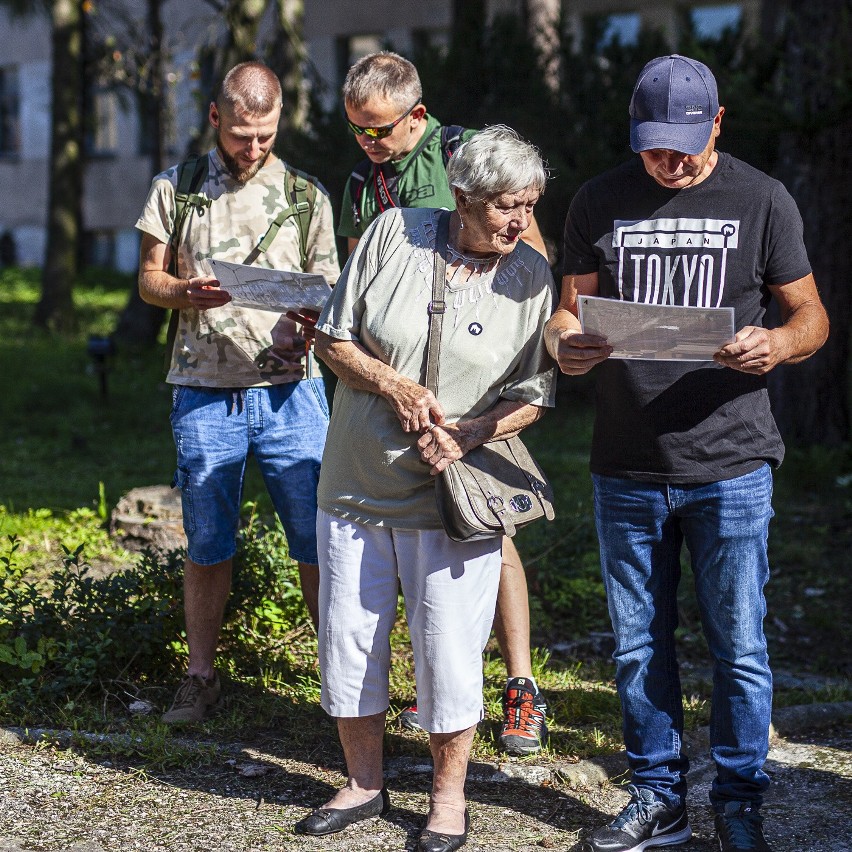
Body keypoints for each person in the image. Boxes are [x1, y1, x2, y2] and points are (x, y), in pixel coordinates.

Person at [545, 55, 829, 852]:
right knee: (637, 644)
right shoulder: (600, 199)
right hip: (626, 465)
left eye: (682, 147)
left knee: (738, 643)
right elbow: (566, 315)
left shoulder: (761, 198)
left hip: (731, 464)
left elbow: (812, 319)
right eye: (651, 148)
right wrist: (567, 345)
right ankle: (657, 796)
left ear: (717, 123)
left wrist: (774, 342)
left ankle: (739, 798)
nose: (667, 163)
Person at [295, 126, 555, 851]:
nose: (520, 221)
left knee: (446, 651)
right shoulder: (391, 235)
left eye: (530, 205)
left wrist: (474, 433)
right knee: (350, 643)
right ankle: (364, 784)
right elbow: (334, 337)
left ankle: (448, 799)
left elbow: (538, 392)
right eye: (506, 205)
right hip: (355, 483)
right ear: (463, 198)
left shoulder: (531, 275)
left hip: (453, 496)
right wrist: (395, 384)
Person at [338, 48, 549, 756]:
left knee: (486, 532)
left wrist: (537, 354)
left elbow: (524, 265)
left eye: (381, 130)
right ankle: (412, 704)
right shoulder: (366, 189)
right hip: (379, 436)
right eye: (357, 130)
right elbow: (354, 299)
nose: (369, 142)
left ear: (418, 117)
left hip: (475, 397)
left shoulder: (466, 157)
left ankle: (519, 685)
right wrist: (384, 373)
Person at [135, 61, 340, 723]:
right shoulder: (177, 187)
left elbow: (328, 293)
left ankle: (338, 677)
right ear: (215, 118)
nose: (254, 149)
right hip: (204, 389)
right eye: (242, 135)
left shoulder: (305, 194)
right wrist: (182, 292)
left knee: (317, 538)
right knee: (207, 541)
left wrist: (303, 331)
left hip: (292, 392)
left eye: (267, 136)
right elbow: (147, 281)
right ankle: (200, 677)